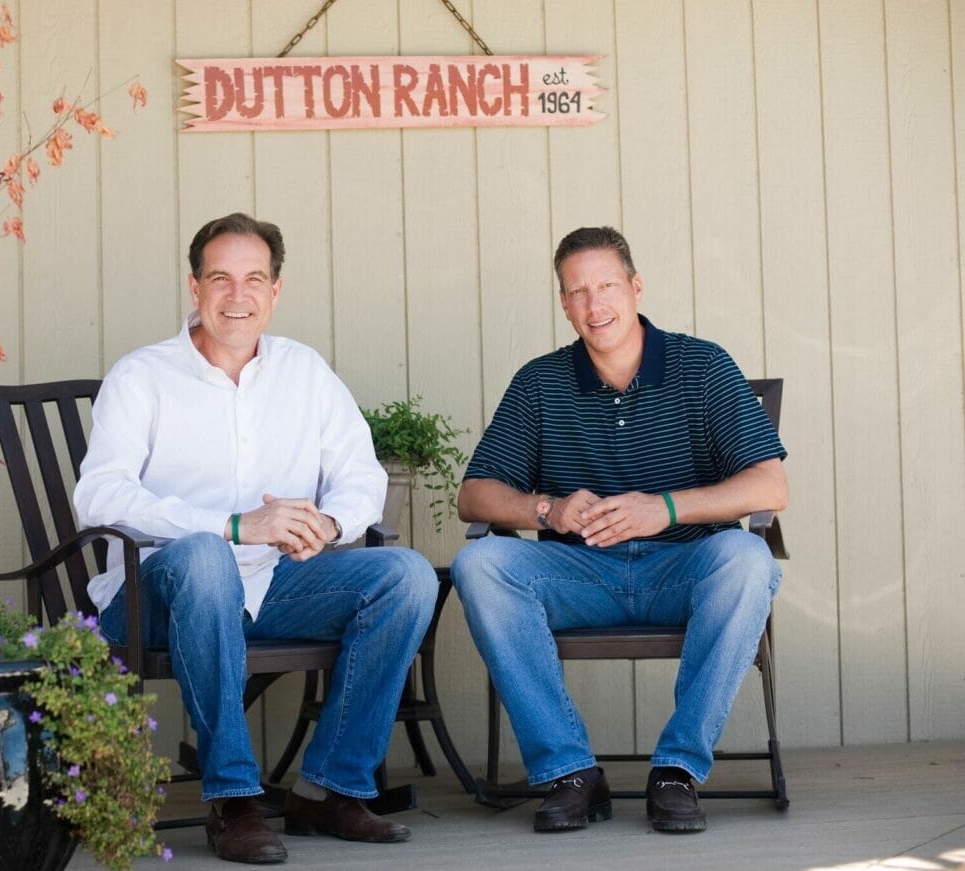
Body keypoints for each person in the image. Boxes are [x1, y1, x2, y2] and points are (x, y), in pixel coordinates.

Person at [73, 213, 437, 864]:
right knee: (209, 557)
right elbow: (98, 494)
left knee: (405, 576)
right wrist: (232, 524)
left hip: (273, 583)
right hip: (157, 593)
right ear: (194, 287)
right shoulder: (143, 377)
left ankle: (328, 788)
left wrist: (329, 524)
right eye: (220, 278)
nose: (236, 295)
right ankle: (235, 798)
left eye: (253, 279)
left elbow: (360, 472)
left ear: (276, 290)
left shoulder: (305, 372)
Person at [451, 226, 788, 835]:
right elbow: (473, 497)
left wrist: (665, 507)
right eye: (577, 291)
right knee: (480, 564)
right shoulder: (540, 382)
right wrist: (547, 510)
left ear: (635, 287)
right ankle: (570, 772)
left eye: (606, 285)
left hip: (681, 571)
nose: (594, 303)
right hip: (581, 577)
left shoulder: (703, 365)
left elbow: (770, 487)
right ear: (563, 304)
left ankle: (677, 771)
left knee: (747, 558)